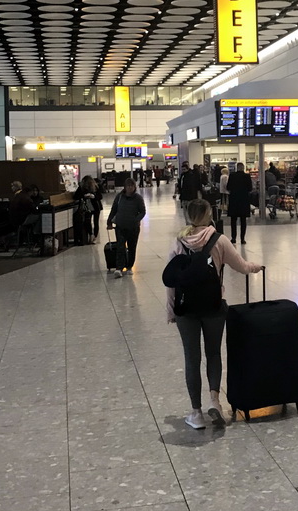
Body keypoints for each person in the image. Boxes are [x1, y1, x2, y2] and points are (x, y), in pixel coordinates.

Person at [167, 198, 263, 429]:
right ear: (208, 215)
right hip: (213, 306)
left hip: (186, 309)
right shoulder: (218, 239)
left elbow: (171, 281)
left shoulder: (179, 241)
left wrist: (171, 310)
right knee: (213, 354)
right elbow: (240, 265)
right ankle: (215, 402)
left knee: (192, 358)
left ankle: (196, 413)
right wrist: (255, 267)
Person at [107, 178, 146, 278]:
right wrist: (109, 221)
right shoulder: (119, 197)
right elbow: (114, 209)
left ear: (134, 187)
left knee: (132, 247)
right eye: (128, 186)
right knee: (120, 246)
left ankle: (129, 266)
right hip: (120, 226)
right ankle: (119, 268)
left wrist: (136, 220)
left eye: (131, 186)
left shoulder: (138, 198)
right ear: (125, 187)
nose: (129, 188)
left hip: (133, 227)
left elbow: (143, 211)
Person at [226, 162, 253, 244]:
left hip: (234, 199)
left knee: (233, 220)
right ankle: (242, 239)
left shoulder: (232, 176)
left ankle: (233, 238)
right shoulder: (247, 176)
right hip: (244, 200)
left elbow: (228, 187)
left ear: (236, 168)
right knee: (243, 220)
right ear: (243, 168)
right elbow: (250, 188)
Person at [74, 176, 103, 245]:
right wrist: (84, 196)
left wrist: (94, 197)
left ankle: (93, 236)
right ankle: (92, 235)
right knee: (88, 221)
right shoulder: (82, 188)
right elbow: (76, 196)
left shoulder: (95, 188)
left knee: (94, 222)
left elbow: (100, 196)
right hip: (87, 207)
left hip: (95, 207)